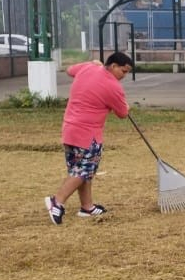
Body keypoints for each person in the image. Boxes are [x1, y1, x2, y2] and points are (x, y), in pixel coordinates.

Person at [45, 52, 133, 225]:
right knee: (84, 171)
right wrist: (127, 106)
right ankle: (57, 201)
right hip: (88, 135)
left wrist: (92, 63)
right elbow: (123, 113)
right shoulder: (113, 87)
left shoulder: (88, 67)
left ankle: (87, 207)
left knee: (79, 171)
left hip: (69, 129)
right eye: (123, 71)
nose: (124, 76)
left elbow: (70, 70)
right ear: (113, 66)